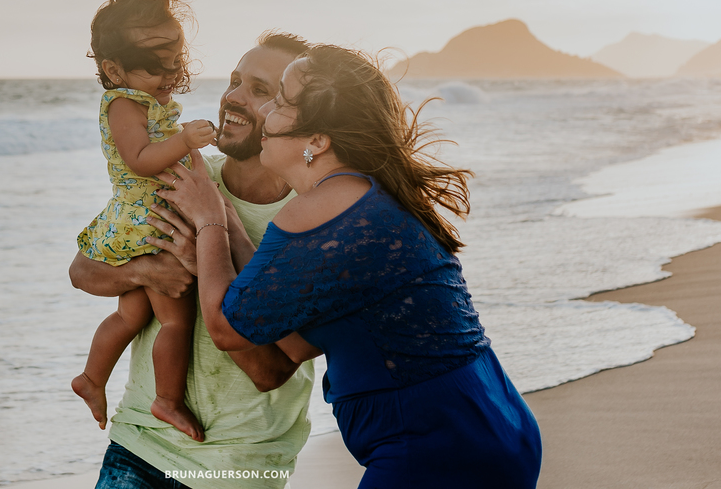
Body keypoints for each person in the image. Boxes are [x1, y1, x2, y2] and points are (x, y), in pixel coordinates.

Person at [152, 45, 543, 489]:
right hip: (493, 421)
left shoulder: (320, 210)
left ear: (317, 140)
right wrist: (229, 227)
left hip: (435, 444)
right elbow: (293, 346)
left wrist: (207, 221)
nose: (266, 111)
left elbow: (227, 327)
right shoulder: (361, 196)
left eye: (280, 100)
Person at [69, 31, 316, 489]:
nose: (234, 98)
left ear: (297, 118)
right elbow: (82, 271)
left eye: (261, 91)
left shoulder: (310, 219)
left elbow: (271, 370)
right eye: (236, 80)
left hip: (237, 462)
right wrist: (149, 271)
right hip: (139, 441)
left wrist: (209, 252)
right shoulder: (183, 176)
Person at [71, 0, 217, 442]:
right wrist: (186, 140)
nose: (171, 73)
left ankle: (92, 378)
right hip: (145, 225)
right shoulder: (124, 105)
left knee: (130, 317)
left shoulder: (147, 100)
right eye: (158, 64)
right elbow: (139, 160)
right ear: (115, 69)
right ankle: (167, 400)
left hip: (149, 220)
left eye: (176, 61)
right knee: (175, 318)